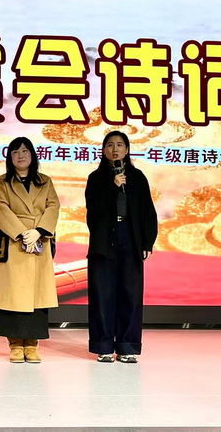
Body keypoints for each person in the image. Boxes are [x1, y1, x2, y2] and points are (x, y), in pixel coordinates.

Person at [85, 130, 157, 364]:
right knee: (102, 294)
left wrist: (147, 241)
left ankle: (127, 346)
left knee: (130, 293)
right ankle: (103, 346)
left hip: (131, 237)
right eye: (110, 145)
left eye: (119, 145)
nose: (115, 149)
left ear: (127, 149)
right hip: (104, 239)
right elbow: (93, 211)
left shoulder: (137, 177)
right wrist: (113, 186)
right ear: (103, 150)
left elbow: (148, 211)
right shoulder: (96, 178)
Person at [0, 137, 60, 363]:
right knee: (13, 294)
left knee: (37, 294)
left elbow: (53, 206)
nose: (20, 155)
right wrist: (23, 233)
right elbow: (1, 210)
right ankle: (14, 344)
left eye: (24, 151)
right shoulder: (3, 182)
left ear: (32, 154)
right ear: (9, 157)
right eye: (15, 152)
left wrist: (38, 231)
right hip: (15, 241)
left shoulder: (45, 181)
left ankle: (31, 344)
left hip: (39, 240)